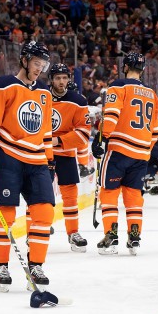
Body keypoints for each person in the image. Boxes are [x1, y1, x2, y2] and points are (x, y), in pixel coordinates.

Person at [0, 41, 55, 292]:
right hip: (9, 156)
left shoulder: (44, 93)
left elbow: (46, 131)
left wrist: (49, 160)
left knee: (44, 212)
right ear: (25, 60)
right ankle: (1, 266)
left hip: (37, 160)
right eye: (36, 63)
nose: (40, 69)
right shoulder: (3, 85)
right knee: (5, 212)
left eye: (43, 65)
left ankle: (36, 265)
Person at [91, 52, 158, 255]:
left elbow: (112, 114)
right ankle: (134, 238)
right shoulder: (152, 94)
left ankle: (111, 238)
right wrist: (145, 150)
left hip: (120, 150)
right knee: (133, 196)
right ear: (143, 69)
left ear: (126, 67)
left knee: (109, 193)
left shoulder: (119, 86)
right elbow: (154, 131)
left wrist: (101, 137)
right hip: (141, 153)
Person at [44, 63, 91, 252]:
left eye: (64, 78)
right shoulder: (41, 97)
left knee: (70, 197)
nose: (61, 82)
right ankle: (35, 233)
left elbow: (83, 135)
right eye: (57, 78)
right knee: (39, 195)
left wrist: (58, 140)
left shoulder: (78, 101)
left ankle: (73, 233)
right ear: (51, 80)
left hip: (66, 154)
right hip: (43, 155)